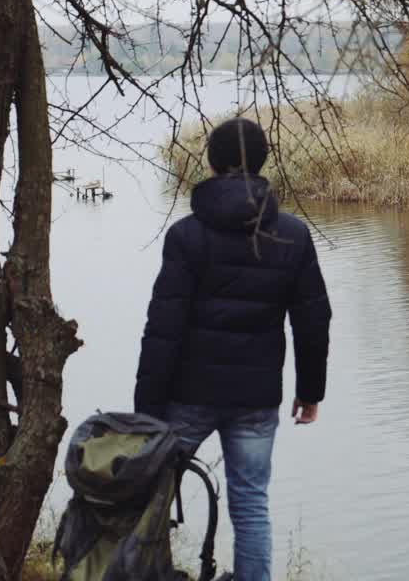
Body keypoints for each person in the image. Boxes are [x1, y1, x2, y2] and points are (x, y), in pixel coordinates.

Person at [134, 117, 332, 581]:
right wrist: (311, 392)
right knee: (251, 504)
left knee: (151, 498)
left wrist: (147, 411)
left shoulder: (186, 236)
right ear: (263, 162)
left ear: (211, 163)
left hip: (187, 394)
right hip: (256, 397)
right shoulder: (293, 235)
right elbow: (313, 320)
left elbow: (163, 328)